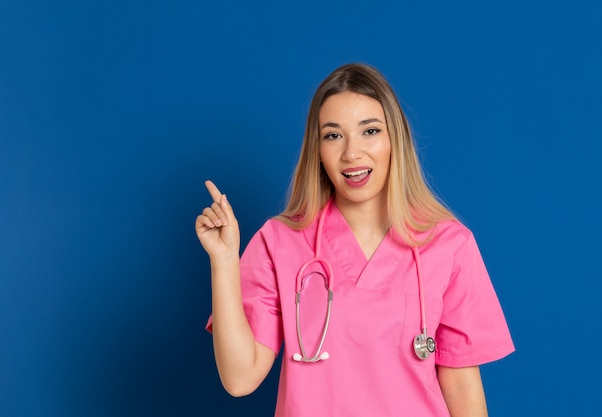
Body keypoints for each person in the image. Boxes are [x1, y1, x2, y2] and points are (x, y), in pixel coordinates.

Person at [195, 63, 515, 417]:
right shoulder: (279, 242)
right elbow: (240, 379)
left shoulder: (448, 245)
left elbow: (462, 384)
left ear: (395, 139)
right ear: (316, 150)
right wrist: (223, 261)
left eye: (370, 131)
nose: (351, 153)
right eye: (333, 135)